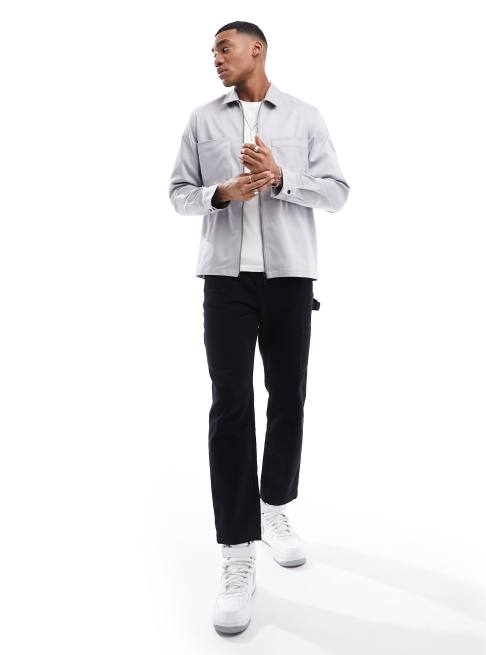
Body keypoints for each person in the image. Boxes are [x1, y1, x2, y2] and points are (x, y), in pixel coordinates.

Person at [168, 20, 350, 635]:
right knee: (230, 405)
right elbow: (178, 193)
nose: (216, 58)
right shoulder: (201, 120)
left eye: (225, 48)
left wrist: (280, 178)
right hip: (225, 283)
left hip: (290, 279)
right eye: (213, 50)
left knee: (288, 397)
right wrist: (221, 193)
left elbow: (338, 193)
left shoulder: (304, 117)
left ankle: (274, 506)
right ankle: (237, 550)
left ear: (257, 49)